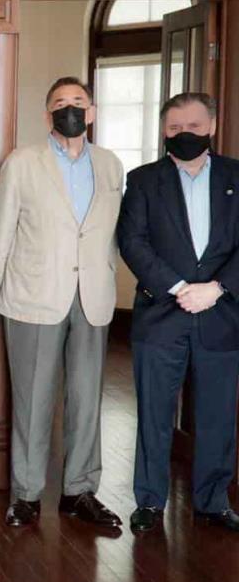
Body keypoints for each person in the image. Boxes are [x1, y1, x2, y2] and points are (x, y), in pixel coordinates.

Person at [0, 77, 124, 529]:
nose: (71, 110)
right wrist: (14, 288)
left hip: (92, 297)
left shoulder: (110, 165)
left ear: (92, 112)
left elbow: (109, 233)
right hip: (33, 297)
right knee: (32, 399)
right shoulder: (22, 162)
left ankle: (79, 491)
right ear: (47, 115)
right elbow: (1, 236)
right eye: (61, 104)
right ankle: (26, 494)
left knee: (86, 399)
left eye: (79, 102)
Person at [118, 92, 239, 534]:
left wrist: (216, 289)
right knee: (154, 413)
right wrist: (179, 288)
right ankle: (150, 502)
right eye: (174, 128)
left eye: (193, 126)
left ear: (211, 127)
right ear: (163, 131)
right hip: (161, 314)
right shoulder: (143, 180)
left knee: (217, 415)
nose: (183, 134)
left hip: (221, 315)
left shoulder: (235, 176)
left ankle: (212, 502)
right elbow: (132, 241)